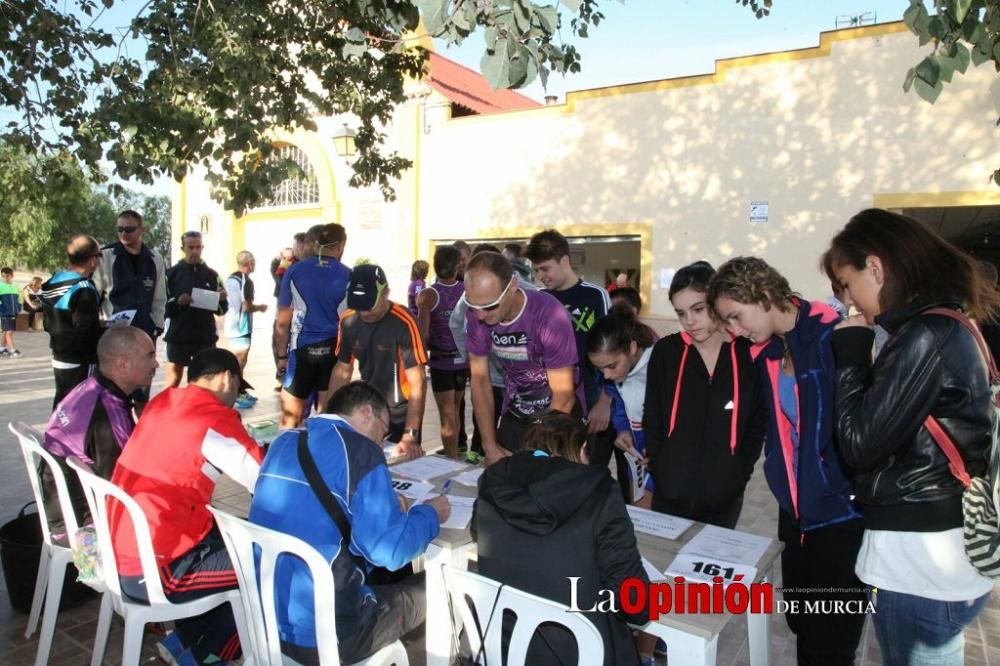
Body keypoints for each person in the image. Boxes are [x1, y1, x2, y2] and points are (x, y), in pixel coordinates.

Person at [822, 208, 997, 665]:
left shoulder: (925, 334)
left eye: (848, 285)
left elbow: (858, 443)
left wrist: (852, 355)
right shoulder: (951, 323)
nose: (850, 303)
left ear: (876, 269)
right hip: (941, 549)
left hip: (919, 564)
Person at [709, 256, 865, 665]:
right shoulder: (767, 351)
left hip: (839, 514)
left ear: (761, 294)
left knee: (829, 639)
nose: (735, 331)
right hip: (795, 510)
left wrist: (840, 487)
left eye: (736, 317)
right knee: (798, 617)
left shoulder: (831, 334)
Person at [249, 381, 450, 665]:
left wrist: (385, 507)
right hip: (331, 634)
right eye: (383, 433)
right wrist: (430, 514)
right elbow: (389, 553)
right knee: (442, 586)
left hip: (266, 620)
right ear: (367, 412)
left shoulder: (285, 439)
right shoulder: (360, 452)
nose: (382, 444)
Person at [110, 348, 264, 665]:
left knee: (225, 542)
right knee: (268, 564)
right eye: (237, 387)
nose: (236, 397)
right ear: (226, 378)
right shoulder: (214, 419)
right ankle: (203, 654)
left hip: (123, 550)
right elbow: (265, 480)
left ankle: (186, 640)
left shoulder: (162, 402)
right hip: (155, 568)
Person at [473, 411, 650, 665]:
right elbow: (637, 605)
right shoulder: (599, 490)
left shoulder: (495, 480)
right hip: (583, 653)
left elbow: (477, 531)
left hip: (506, 651)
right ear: (581, 451)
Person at [643, 262, 766, 526]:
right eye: (681, 313)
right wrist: (661, 467)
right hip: (669, 493)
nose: (690, 320)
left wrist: (738, 474)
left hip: (725, 498)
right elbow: (652, 415)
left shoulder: (748, 354)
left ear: (717, 302)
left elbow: (758, 421)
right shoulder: (667, 352)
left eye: (698, 309)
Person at [463, 251, 579, 465]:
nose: (480, 315)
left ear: (513, 286)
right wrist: (489, 447)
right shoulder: (476, 315)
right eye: (473, 305)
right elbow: (479, 382)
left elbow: (564, 396)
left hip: (557, 412)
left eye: (489, 306)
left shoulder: (549, 314)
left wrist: (536, 455)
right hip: (517, 407)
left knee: (544, 479)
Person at [41, 326, 156, 537]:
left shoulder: (91, 387)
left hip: (65, 508)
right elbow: (117, 489)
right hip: (82, 525)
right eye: (150, 356)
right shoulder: (105, 415)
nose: (156, 364)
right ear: (123, 364)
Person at [525, 230, 613, 467]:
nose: (540, 276)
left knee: (591, 469)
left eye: (545, 268)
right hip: (551, 399)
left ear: (564, 261)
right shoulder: (538, 299)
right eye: (536, 270)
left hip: (592, 399)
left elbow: (615, 354)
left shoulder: (596, 296)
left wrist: (605, 402)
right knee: (553, 466)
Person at [329, 264, 427, 460]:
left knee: (401, 470)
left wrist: (411, 434)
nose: (365, 313)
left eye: (370, 305)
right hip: (368, 409)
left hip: (400, 414)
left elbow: (418, 383)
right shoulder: (348, 320)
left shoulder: (404, 322)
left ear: (386, 293)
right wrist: (327, 417)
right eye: (360, 306)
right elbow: (342, 371)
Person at [275, 224, 350, 427]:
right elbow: (351, 321)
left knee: (290, 419)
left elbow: (282, 321)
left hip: (302, 351)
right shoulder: (347, 274)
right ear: (341, 245)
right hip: (334, 353)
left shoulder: (295, 271)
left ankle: (285, 457)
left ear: (318, 244)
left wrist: (282, 356)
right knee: (327, 419)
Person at [92, 209, 167, 410]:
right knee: (114, 393)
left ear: (141, 229)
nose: (124, 233)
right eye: (120, 229)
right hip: (114, 336)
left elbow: (159, 298)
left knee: (142, 394)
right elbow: (95, 296)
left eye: (129, 229)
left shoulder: (154, 258)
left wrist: (156, 326)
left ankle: (140, 436)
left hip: (144, 335)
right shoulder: (106, 256)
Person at [586, 308, 659, 507]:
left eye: (611, 366)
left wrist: (662, 450)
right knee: (645, 525)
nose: (606, 375)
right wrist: (624, 430)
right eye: (600, 369)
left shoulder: (661, 364)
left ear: (632, 347)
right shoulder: (615, 376)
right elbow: (620, 408)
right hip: (639, 462)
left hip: (669, 462)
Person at [416, 246, 468, 458]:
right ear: (457, 266)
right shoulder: (468, 290)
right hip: (463, 361)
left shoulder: (428, 295)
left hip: (441, 363)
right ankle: (455, 453)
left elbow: (423, 335)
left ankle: (452, 458)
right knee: (455, 410)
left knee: (447, 415)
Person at [40, 235, 105, 406]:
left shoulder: (53, 282)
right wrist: (107, 329)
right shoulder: (83, 287)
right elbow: (86, 331)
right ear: (92, 260)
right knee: (81, 406)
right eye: (99, 256)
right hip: (81, 359)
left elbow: (48, 322)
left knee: (63, 401)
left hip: (59, 353)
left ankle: (54, 432)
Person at [163, 231, 228, 388]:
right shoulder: (170, 274)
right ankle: (170, 412)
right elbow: (162, 309)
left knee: (204, 382)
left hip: (205, 337)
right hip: (178, 336)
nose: (195, 251)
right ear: (183, 248)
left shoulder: (212, 275)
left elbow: (221, 310)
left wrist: (222, 300)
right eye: (190, 247)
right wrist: (178, 303)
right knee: (173, 382)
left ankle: (198, 411)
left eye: (198, 247)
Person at [223, 250, 267, 408]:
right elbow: (246, 306)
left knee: (236, 361)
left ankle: (237, 390)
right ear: (249, 263)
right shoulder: (246, 281)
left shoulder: (230, 278)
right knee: (240, 361)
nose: (254, 265)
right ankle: (237, 392)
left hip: (231, 324)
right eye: (253, 262)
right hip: (241, 326)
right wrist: (261, 307)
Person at [0, 266, 21, 357]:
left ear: (12, 276)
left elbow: (19, 300)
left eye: (7, 276)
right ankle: (12, 350)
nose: (5, 278)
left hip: (13, 313)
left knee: (6, 331)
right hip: (4, 313)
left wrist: (18, 308)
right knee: (9, 332)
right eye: (3, 276)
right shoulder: (0, 286)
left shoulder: (15, 288)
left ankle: (1, 349)